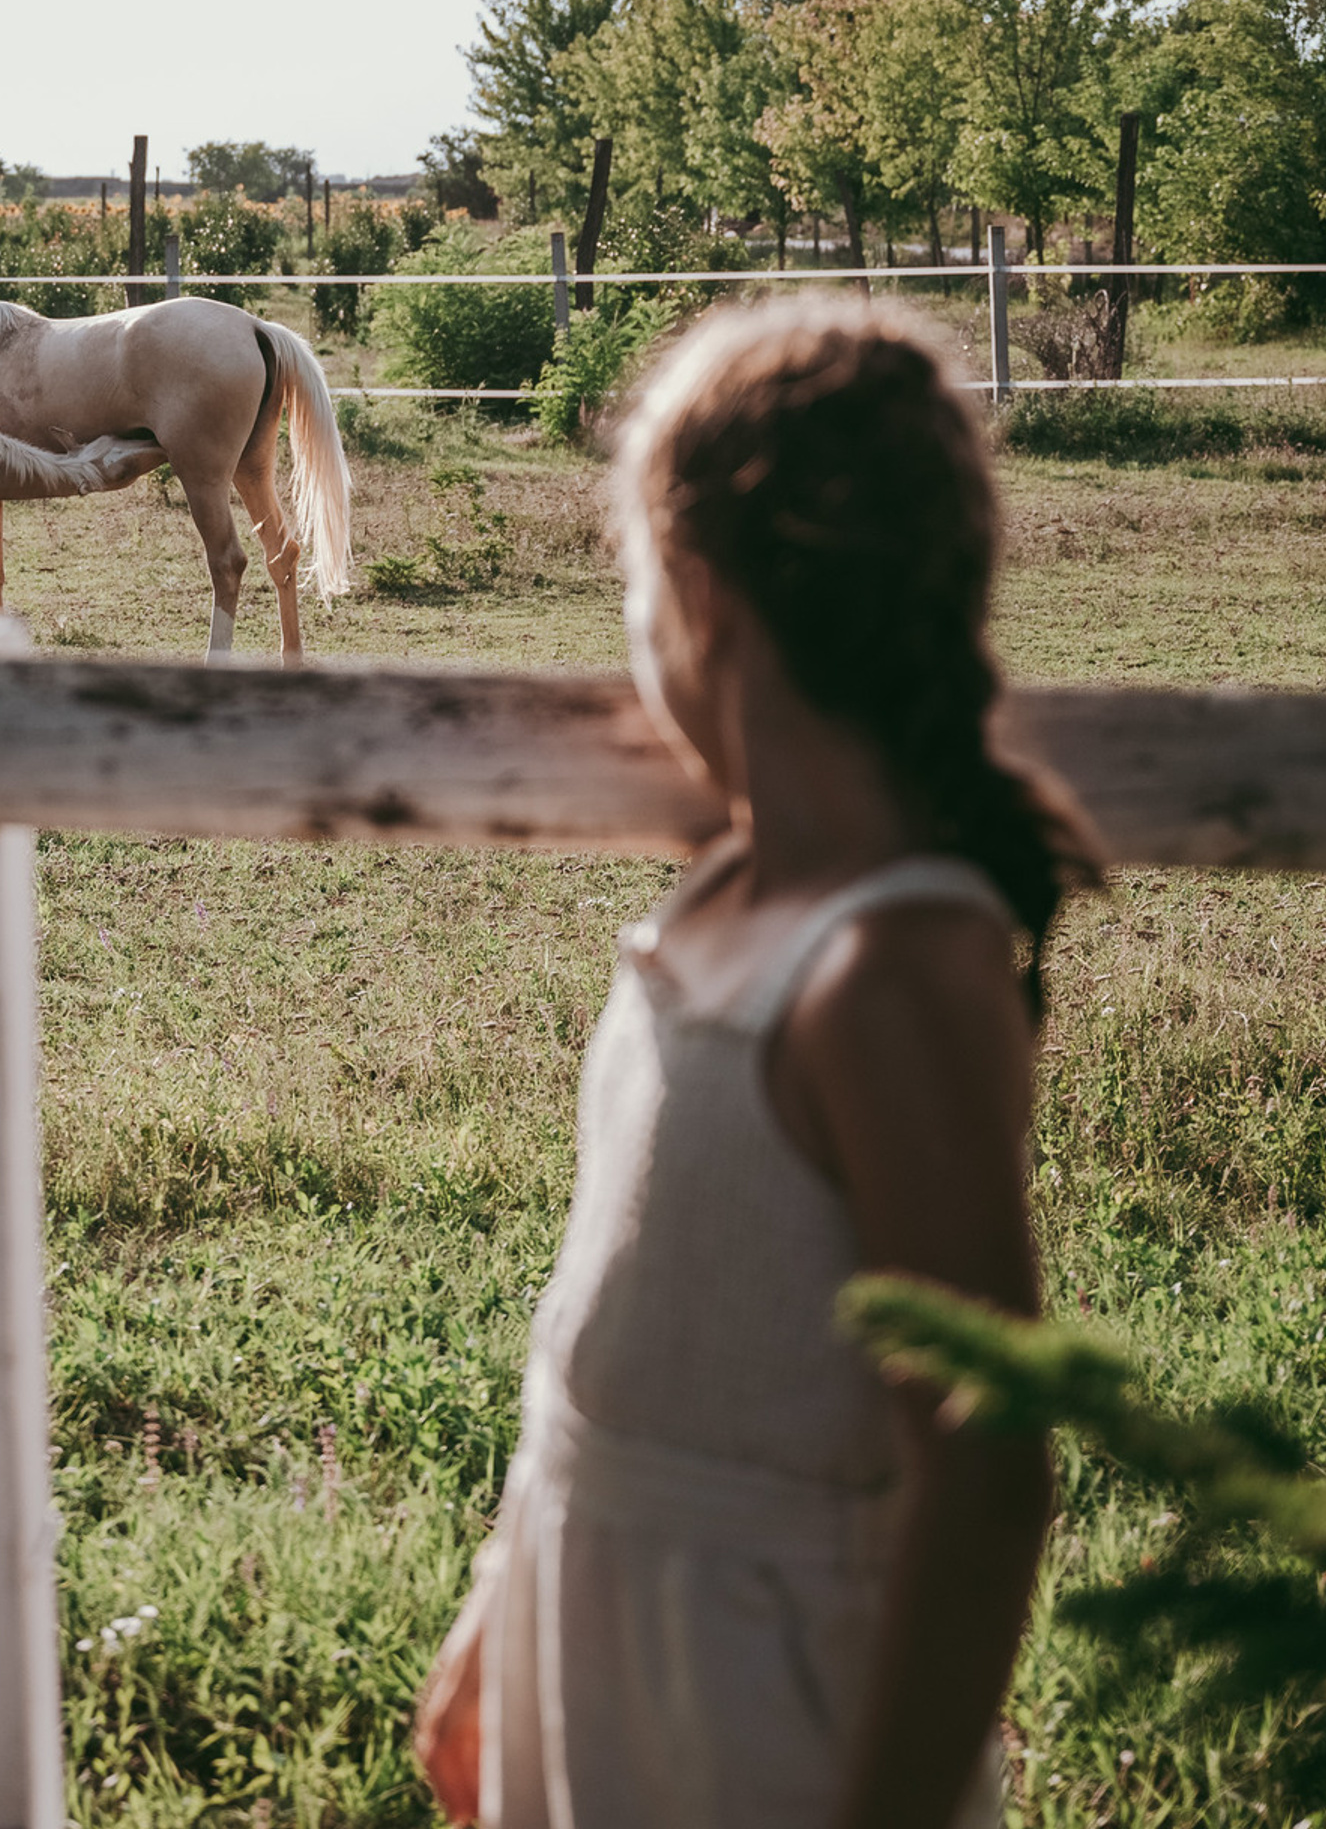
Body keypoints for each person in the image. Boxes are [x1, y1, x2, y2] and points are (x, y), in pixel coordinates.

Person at [415, 298, 1099, 1829]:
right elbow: (593, 1339)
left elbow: (985, 1472)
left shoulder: (889, 968)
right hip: (603, 1638)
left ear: (704, 603)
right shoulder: (725, 897)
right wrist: (500, 1605)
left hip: (769, 1698)